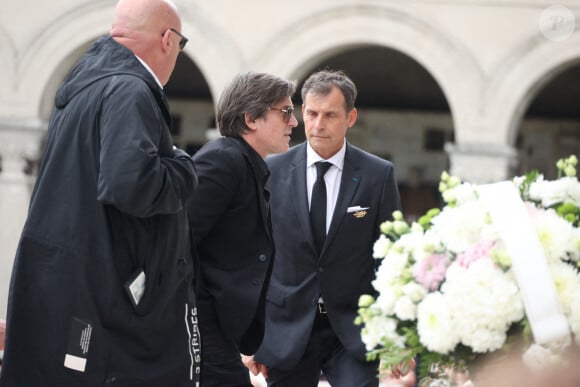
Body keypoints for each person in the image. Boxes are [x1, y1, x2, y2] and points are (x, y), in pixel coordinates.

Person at [0, 0, 199, 385]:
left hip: (70, 284)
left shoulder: (84, 86)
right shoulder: (130, 89)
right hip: (106, 306)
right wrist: (182, 167)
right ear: (167, 39)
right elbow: (130, 185)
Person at [243, 69, 406, 386]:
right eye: (312, 113)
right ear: (302, 112)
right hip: (287, 331)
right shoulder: (270, 171)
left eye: (330, 115)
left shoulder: (378, 175)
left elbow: (393, 259)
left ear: (351, 117)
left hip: (355, 332)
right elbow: (253, 258)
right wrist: (249, 337)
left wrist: (399, 335)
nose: (318, 125)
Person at [187, 72, 298, 386]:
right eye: (286, 112)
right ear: (251, 118)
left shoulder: (243, 162)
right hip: (203, 325)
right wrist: (203, 310)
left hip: (219, 330)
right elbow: (177, 240)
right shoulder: (224, 161)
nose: (294, 123)